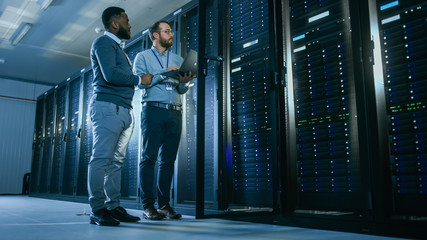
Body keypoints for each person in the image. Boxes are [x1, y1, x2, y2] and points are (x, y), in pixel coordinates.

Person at [88, 6, 153, 226]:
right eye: (126, 20)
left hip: (123, 110)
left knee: (116, 162)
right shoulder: (103, 43)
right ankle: (97, 209)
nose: (130, 24)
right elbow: (110, 74)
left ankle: (113, 207)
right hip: (108, 107)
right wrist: (138, 79)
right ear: (114, 23)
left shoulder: (117, 47)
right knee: (101, 159)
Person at [133, 20, 196, 220]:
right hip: (153, 110)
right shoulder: (142, 57)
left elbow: (180, 89)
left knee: (168, 161)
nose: (171, 34)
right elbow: (142, 84)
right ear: (156, 35)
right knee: (149, 158)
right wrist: (165, 73)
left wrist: (184, 82)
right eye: (167, 31)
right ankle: (148, 206)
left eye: (171, 31)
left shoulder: (177, 57)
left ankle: (164, 205)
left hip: (175, 111)